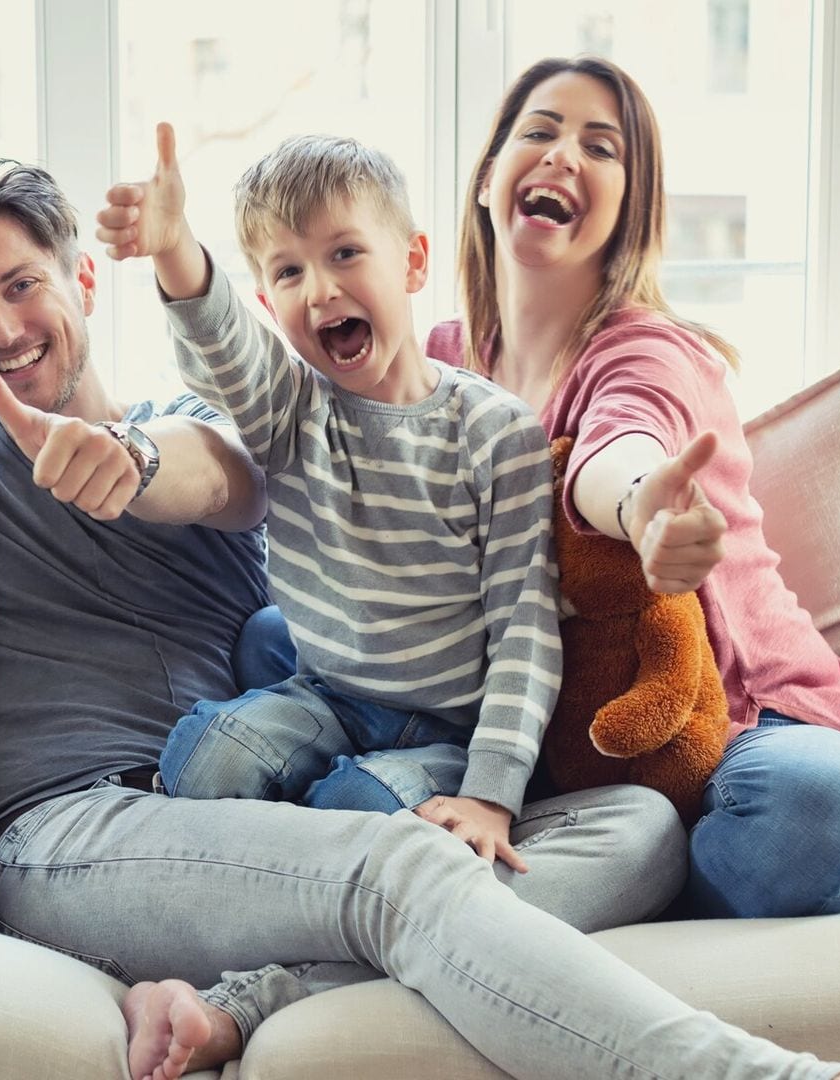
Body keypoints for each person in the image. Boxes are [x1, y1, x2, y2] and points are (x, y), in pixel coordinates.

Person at [0, 158, 840, 1080]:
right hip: (81, 827)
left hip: (272, 826)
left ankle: (253, 996)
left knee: (641, 830)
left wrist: (134, 462)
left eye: (19, 283)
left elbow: (210, 466)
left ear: (81, 279)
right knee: (398, 866)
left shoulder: (229, 420)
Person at [418, 54, 840, 920]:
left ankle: (639, 861)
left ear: (630, 207)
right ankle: (618, 855)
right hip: (559, 748)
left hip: (751, 728)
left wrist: (643, 510)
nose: (564, 155)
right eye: (541, 131)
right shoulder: (438, 364)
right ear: (488, 177)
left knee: (822, 812)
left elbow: (620, 443)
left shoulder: (648, 350)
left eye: (601, 147)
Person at [117, 124, 559, 874]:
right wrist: (174, 250)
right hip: (326, 693)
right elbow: (226, 345)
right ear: (266, 296)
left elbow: (526, 628)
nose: (319, 289)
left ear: (413, 262)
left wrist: (492, 793)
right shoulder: (288, 407)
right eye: (289, 273)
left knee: (352, 811)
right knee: (204, 762)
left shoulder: (496, 431)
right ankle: (277, 834)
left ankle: (308, 836)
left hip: (446, 731)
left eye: (345, 253)